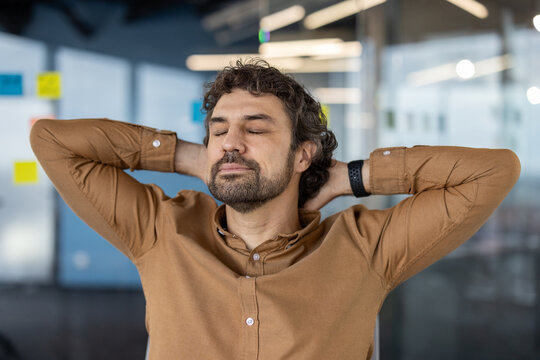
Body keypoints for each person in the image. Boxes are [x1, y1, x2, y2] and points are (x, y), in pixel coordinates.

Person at [30, 59, 521, 360]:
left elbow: (492, 173)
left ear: (302, 153)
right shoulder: (160, 229)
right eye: (220, 128)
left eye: (256, 128)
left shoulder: (366, 248)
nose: (231, 142)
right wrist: (191, 156)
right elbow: (50, 140)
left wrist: (352, 177)